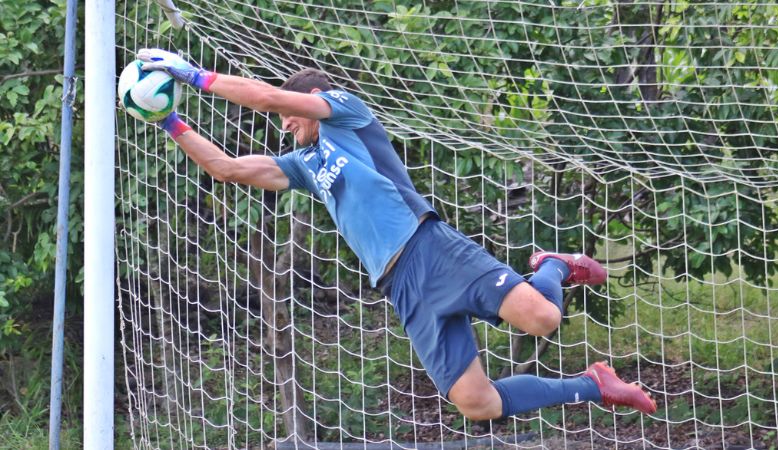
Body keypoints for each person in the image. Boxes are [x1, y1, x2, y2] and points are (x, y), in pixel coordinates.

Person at [137, 48, 657, 420]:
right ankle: (592, 386)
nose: (286, 127)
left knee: (544, 318)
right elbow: (228, 169)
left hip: (428, 249)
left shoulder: (346, 113)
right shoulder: (303, 164)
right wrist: (169, 121)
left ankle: (555, 265)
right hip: (401, 288)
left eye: (293, 117)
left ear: (314, 100)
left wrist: (197, 76)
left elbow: (272, 98)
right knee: (478, 403)